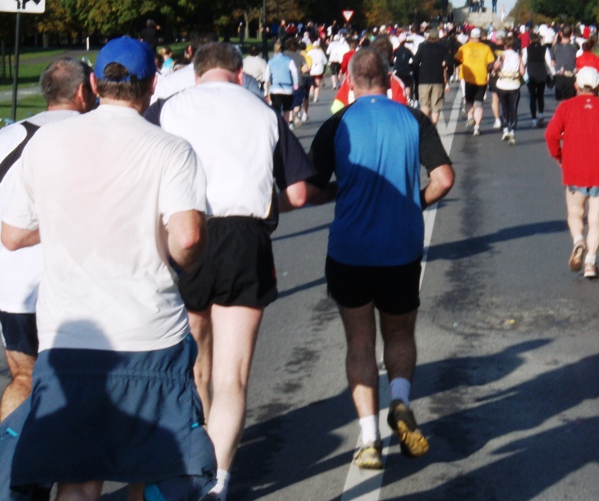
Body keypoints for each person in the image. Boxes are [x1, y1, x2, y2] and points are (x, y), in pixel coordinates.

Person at [1, 37, 216, 500]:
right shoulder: (171, 150)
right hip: (149, 337)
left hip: (69, 340)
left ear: (96, 84)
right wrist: (183, 255)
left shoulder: (47, 144)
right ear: (151, 86)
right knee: (170, 468)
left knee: (78, 477)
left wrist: (68, 221)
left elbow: (14, 234)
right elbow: (188, 239)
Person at [152, 43, 316, 501]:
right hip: (246, 237)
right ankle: (218, 480)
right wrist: (266, 206)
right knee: (233, 375)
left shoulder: (168, 108)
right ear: (239, 73)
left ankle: (191, 459)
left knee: (194, 364)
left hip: (187, 230)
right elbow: (300, 193)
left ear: (195, 73)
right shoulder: (263, 112)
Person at [306, 49, 454, 470]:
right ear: (389, 80)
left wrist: (341, 193)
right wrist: (414, 203)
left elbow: (313, 189)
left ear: (350, 81)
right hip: (401, 247)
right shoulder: (413, 118)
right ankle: (402, 402)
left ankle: (369, 439)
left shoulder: (338, 123)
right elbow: (444, 178)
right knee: (400, 334)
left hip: (351, 249)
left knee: (359, 342)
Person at [0, 59, 96, 422]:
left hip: (15, 288)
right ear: (85, 90)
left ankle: (9, 470)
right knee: (86, 383)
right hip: (78, 285)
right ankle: (75, 474)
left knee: (24, 378)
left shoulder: (8, 137)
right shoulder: (97, 136)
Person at [544, 67, 599, 279]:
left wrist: (559, 156)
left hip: (574, 166)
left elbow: (551, 134)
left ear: (576, 85)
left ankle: (578, 241)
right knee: (596, 216)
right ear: (598, 87)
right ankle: (591, 262)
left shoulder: (566, 107)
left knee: (575, 211)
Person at [454, 28, 495, 136]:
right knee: (478, 103)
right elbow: (491, 63)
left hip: (468, 78)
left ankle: (470, 117)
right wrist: (489, 72)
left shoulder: (464, 47)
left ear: (470, 37)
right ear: (480, 37)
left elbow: (456, 60)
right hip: (481, 78)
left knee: (468, 101)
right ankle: (477, 127)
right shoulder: (486, 48)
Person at [493, 35, 524, 145]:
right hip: (514, 84)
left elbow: (496, 67)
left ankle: (505, 128)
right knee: (513, 108)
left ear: (505, 45)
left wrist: (498, 66)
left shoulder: (502, 55)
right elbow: (522, 72)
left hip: (501, 84)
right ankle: (512, 130)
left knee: (504, 107)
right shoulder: (518, 56)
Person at [415, 27, 450, 125]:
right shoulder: (443, 49)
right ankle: (433, 126)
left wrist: (417, 72)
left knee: (424, 103)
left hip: (424, 79)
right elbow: (449, 61)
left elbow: (415, 62)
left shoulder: (422, 48)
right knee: (436, 105)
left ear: (429, 36)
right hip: (438, 79)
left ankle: (425, 126)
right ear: (438, 37)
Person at [267, 41, 301, 126]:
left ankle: (278, 127)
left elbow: (267, 77)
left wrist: (267, 90)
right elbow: (294, 72)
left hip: (275, 88)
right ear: (283, 50)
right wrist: (296, 84)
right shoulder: (288, 60)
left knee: (276, 109)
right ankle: (285, 127)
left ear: (274, 51)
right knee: (287, 109)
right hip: (287, 88)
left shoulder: (270, 62)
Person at [525, 30, 549, 127]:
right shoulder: (544, 48)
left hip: (531, 73)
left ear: (530, 40)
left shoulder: (526, 49)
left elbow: (523, 61)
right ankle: (541, 114)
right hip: (541, 72)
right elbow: (548, 61)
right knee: (540, 95)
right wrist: (553, 73)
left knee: (532, 96)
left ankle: (534, 119)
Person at [551, 25, 578, 101]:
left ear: (560, 34)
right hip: (571, 76)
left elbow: (552, 63)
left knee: (561, 102)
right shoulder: (575, 46)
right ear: (571, 34)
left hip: (560, 76)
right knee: (571, 101)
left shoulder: (555, 47)